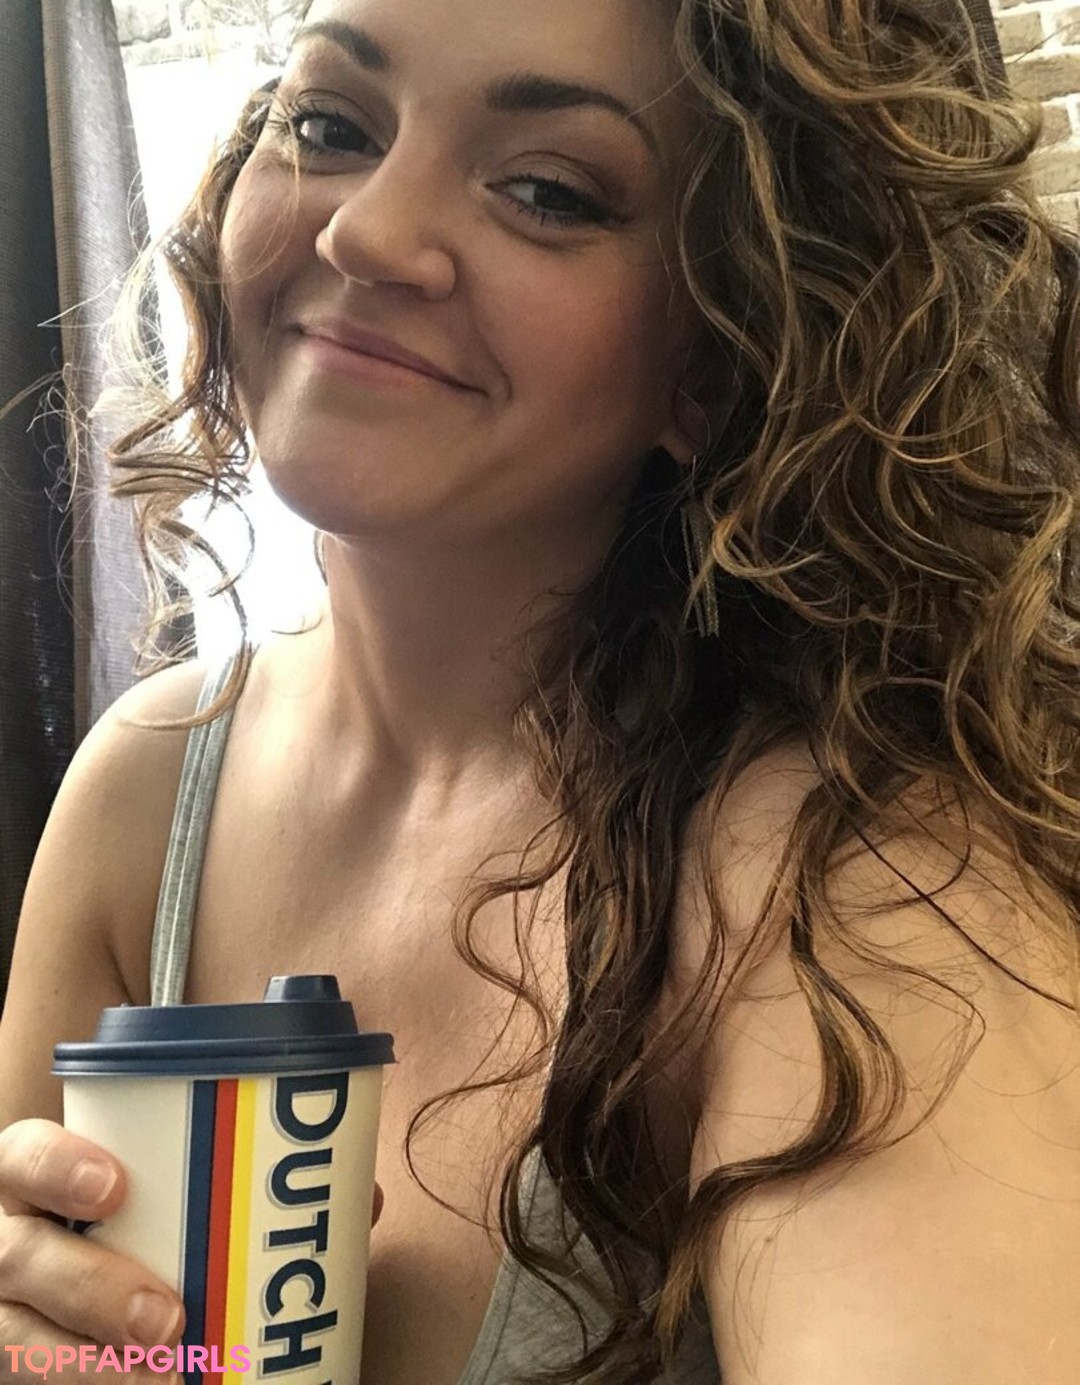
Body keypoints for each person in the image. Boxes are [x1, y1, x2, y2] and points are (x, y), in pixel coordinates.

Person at [1, 0, 1078, 1381]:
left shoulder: (860, 888)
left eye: (550, 192)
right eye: (329, 123)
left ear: (719, 352)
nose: (366, 233)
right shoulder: (144, 788)